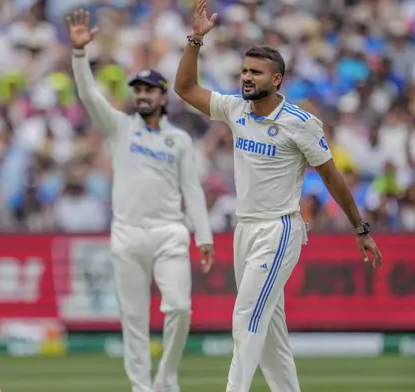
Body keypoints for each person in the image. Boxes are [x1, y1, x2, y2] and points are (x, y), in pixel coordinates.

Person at [173, 1, 384, 391]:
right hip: (245, 229)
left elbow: (333, 178)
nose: (247, 78)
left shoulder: (300, 124)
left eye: (256, 72)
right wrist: (195, 40)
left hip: (280, 229)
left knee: (246, 316)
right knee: (269, 332)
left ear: (278, 80)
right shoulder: (235, 109)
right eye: (244, 71)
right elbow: (184, 88)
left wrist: (360, 228)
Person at [67, 9, 215, 392]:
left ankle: (166, 377)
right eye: (138, 90)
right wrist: (80, 55)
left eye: (149, 90)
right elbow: (87, 94)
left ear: (162, 97)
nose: (142, 95)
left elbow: (192, 191)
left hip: (169, 232)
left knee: (179, 307)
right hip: (128, 234)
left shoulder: (179, 140)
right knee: (133, 321)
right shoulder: (119, 127)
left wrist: (205, 237)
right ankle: (141, 387)